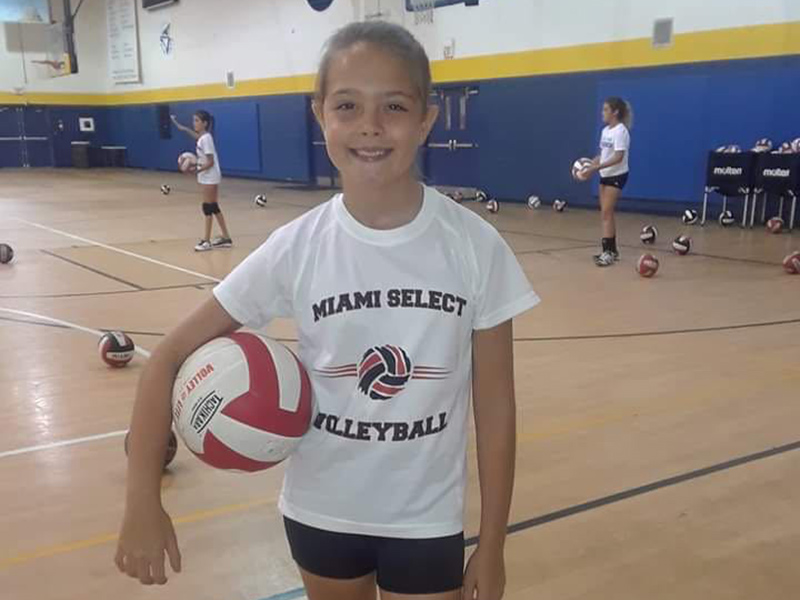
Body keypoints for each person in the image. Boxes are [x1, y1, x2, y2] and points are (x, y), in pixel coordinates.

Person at [116, 21, 539, 600]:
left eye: (393, 105)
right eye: (347, 105)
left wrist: (493, 545)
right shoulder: (299, 246)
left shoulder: (474, 246)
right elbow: (166, 357)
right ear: (321, 115)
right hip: (320, 514)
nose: (369, 125)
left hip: (425, 519)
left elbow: (496, 408)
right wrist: (142, 499)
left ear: (426, 120)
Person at [171, 110, 233, 251]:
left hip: (209, 175)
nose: (194, 123)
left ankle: (206, 241)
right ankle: (226, 237)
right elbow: (195, 136)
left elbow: (210, 161)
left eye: (197, 121)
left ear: (205, 123)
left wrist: (195, 170)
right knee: (214, 206)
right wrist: (181, 127)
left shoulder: (206, 139)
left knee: (207, 207)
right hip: (207, 175)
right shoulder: (203, 137)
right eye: (193, 120)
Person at [583, 97, 632, 267]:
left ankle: (608, 252)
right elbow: (603, 154)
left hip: (617, 175)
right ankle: (612, 250)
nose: (602, 113)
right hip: (604, 174)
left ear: (615, 112)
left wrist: (595, 168)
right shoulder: (605, 131)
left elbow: (618, 158)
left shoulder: (621, 131)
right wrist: (589, 165)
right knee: (606, 213)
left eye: (605, 110)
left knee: (606, 212)